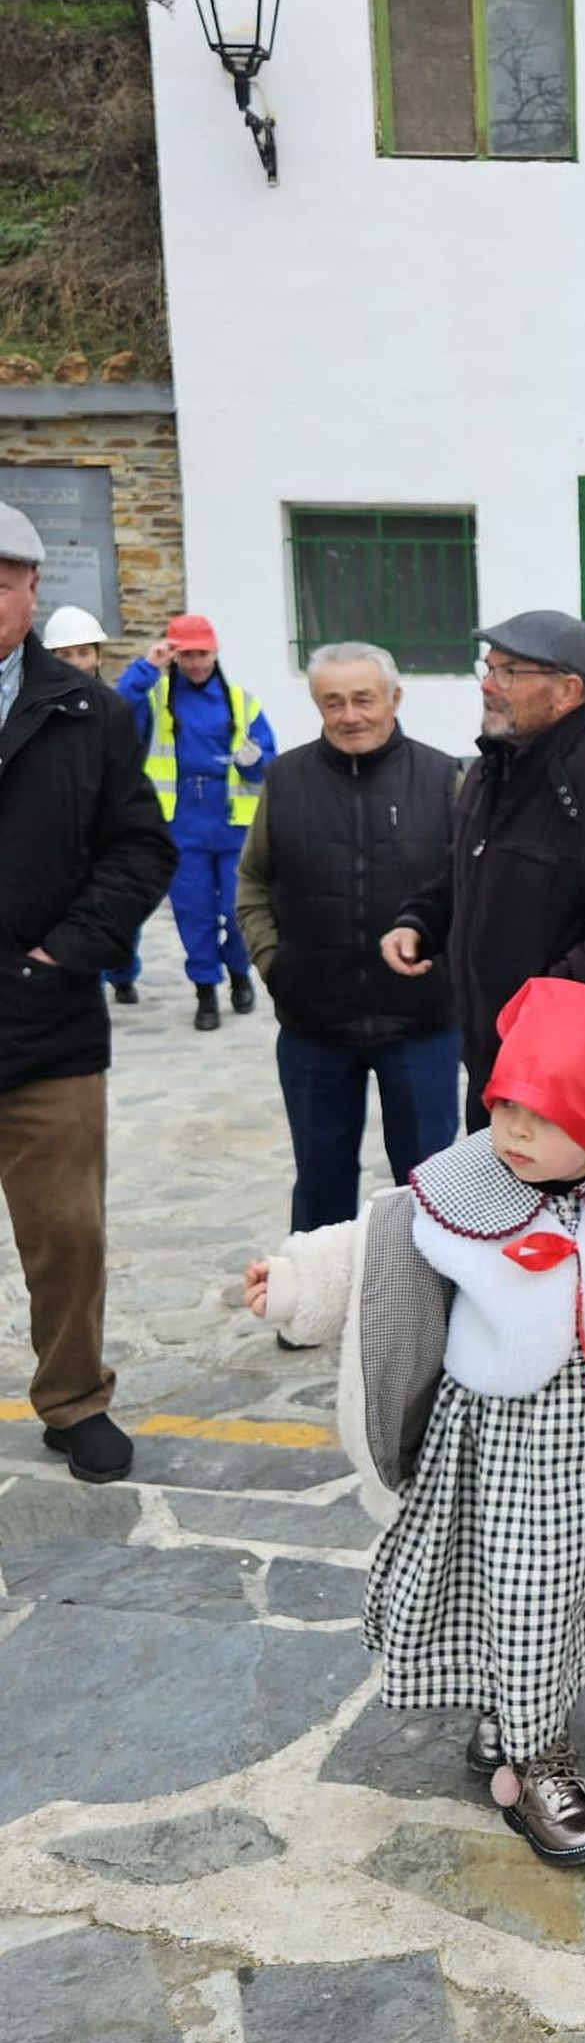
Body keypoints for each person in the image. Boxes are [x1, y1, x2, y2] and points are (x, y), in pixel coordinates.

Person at [244, 978, 585, 1862]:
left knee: (577, 1591)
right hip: (499, 1445)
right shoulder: (464, 1180)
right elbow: (378, 1241)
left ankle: (512, 1712)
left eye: (545, 1116)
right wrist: (296, 1282)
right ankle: (538, 1764)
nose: (514, 1132)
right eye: (505, 1106)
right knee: (525, 1591)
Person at [0, 503, 175, 1482]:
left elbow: (140, 847)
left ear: (33, 589)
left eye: (0, 580)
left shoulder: (91, 713)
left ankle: (72, 1400)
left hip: (47, 1021)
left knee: (67, 1232)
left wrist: (63, 956)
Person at [380, 610, 585, 1126]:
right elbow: (464, 874)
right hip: (489, 1068)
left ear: (567, 691)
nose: (488, 685)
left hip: (555, 1083)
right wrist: (420, 921)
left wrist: (536, 1011)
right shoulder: (490, 771)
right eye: (488, 668)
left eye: (509, 672)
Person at [235, 642, 462, 1231]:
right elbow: (253, 881)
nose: (349, 715)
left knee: (428, 1187)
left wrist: (453, 969)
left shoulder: (443, 778)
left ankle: (424, 1287)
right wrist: (274, 963)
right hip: (314, 1027)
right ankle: (314, 1286)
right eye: (333, 702)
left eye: (364, 699)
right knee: (320, 1184)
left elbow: (475, 887)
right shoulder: (285, 780)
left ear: (394, 698)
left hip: (422, 1024)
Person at [115, 613, 275, 1030]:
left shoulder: (241, 701)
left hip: (233, 824)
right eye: (187, 655)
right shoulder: (155, 698)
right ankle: (205, 989)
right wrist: (147, 666)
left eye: (202, 654)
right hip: (180, 823)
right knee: (193, 912)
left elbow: (268, 764)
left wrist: (254, 761)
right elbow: (117, 708)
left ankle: (239, 971)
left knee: (239, 911)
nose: (196, 663)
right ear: (175, 656)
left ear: (215, 652)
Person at [41, 607, 141, 1004]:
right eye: (65, 655)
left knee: (119, 905)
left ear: (98, 655)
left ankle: (123, 971)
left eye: (83, 652)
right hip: (62, 827)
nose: (77, 662)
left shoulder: (116, 707)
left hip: (112, 823)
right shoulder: (37, 707)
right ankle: (90, 984)